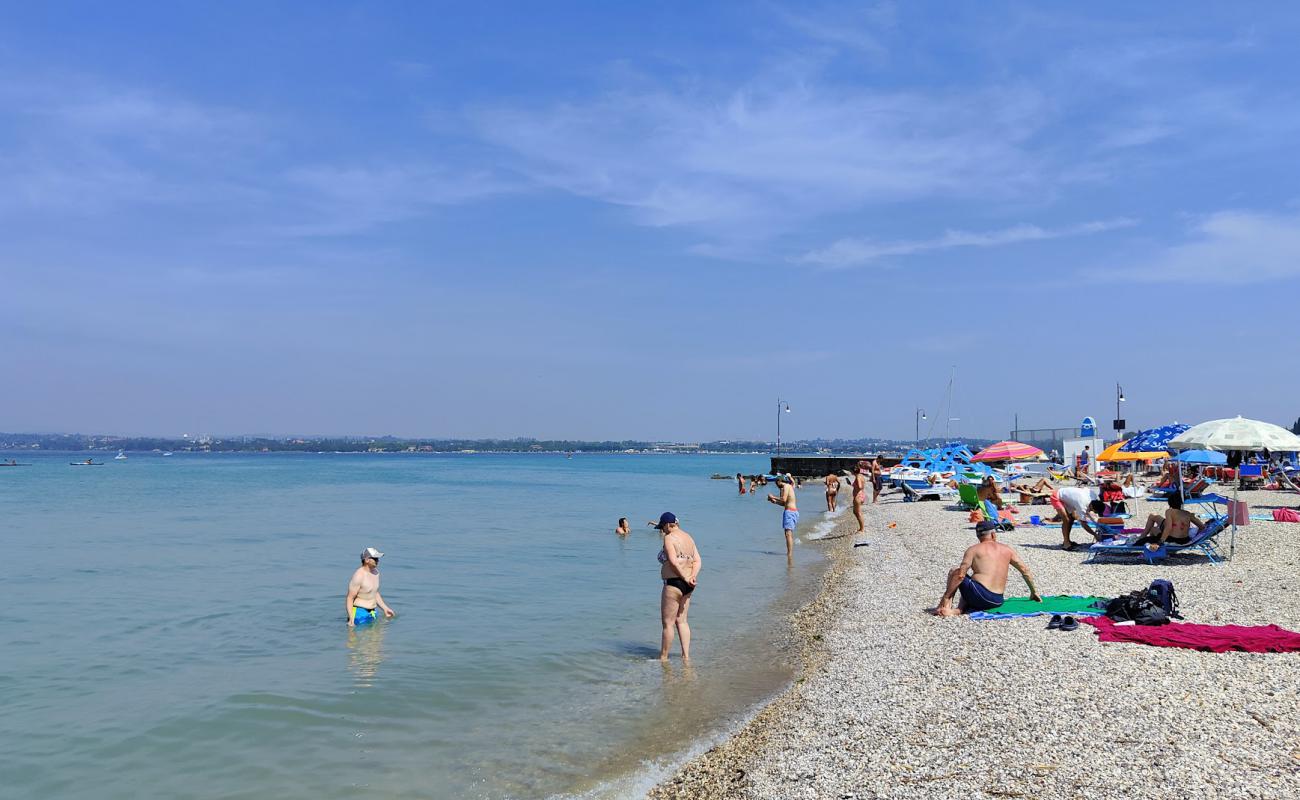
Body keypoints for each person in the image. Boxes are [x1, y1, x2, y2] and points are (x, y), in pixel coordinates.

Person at [933, 521, 1041, 616]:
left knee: (955, 572)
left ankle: (945, 607)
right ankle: (959, 610)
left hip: (980, 597)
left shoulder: (973, 550)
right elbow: (1025, 570)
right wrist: (1033, 591)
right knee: (970, 582)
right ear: (993, 534)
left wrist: (946, 596)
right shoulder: (1007, 549)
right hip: (997, 601)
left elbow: (960, 576)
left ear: (978, 536)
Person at [654, 512, 701, 661]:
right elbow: (698, 561)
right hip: (688, 585)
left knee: (668, 623)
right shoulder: (689, 537)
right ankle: (686, 656)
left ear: (668, 525)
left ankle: (664, 658)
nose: (663, 530)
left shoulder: (669, 538)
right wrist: (692, 576)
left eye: (663, 527)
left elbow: (673, 562)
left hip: (674, 583)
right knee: (682, 621)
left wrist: (685, 577)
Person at [1137, 494, 1208, 549]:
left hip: (1172, 539)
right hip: (1185, 540)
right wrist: (1194, 539)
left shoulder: (1170, 511)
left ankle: (1142, 538)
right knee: (1153, 520)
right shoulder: (1188, 514)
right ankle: (1143, 537)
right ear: (1180, 503)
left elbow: (1168, 527)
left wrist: (1161, 541)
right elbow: (1202, 527)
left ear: (1169, 503)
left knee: (1153, 529)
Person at [345, 547, 395, 626]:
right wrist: (351, 618)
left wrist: (385, 608)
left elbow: (374, 592)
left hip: (373, 612)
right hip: (359, 614)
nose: (378, 561)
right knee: (356, 638)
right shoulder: (359, 575)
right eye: (375, 558)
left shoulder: (376, 572)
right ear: (367, 560)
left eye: (378, 558)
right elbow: (349, 598)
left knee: (376, 638)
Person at [768, 475, 799, 559]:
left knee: (788, 534)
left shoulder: (786, 486)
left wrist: (772, 496)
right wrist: (774, 502)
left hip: (790, 512)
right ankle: (789, 553)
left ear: (779, 481)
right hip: (793, 511)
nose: (776, 486)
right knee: (788, 534)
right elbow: (783, 503)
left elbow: (783, 499)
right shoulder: (788, 487)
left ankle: (789, 555)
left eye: (776, 483)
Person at [851, 461, 868, 533]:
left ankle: (862, 529)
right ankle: (861, 528)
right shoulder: (861, 475)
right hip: (862, 495)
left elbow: (860, 486)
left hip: (858, 496)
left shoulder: (858, 476)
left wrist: (854, 485)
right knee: (855, 512)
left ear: (853, 471)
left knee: (858, 513)